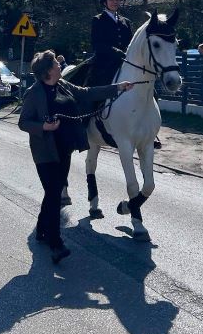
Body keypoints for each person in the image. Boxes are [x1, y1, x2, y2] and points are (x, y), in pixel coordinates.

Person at [18, 49, 133, 264]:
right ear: (48, 71)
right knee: (54, 194)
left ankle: (42, 229)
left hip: (65, 148)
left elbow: (87, 92)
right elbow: (23, 122)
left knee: (52, 193)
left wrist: (117, 87)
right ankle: (56, 243)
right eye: (56, 63)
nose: (60, 65)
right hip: (45, 151)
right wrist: (44, 126)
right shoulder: (35, 93)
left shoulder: (63, 85)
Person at [90, 0, 133, 86]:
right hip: (104, 63)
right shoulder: (98, 20)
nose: (115, 2)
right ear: (104, 2)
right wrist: (116, 51)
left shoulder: (126, 21)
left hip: (125, 61)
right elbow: (97, 44)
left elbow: (131, 42)